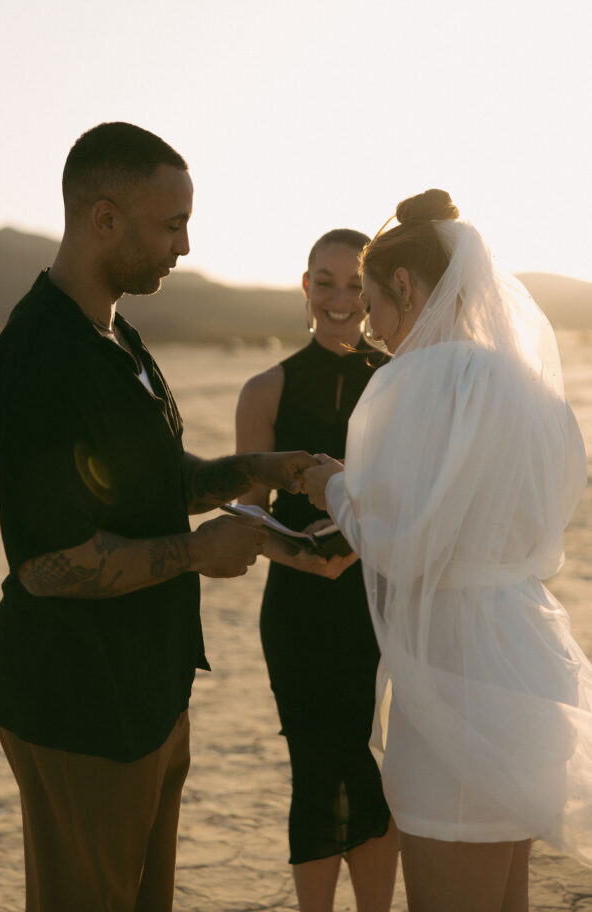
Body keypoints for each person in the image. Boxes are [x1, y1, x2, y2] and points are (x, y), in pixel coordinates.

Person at [0, 121, 317, 912]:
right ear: (104, 219)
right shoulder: (38, 359)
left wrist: (255, 470)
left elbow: (155, 481)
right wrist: (198, 553)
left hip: (150, 689)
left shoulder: (115, 334)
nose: (186, 246)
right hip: (77, 702)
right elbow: (49, 564)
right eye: (171, 225)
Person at [303, 189, 592, 912]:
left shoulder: (414, 383)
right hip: (524, 658)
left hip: (454, 672)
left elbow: (403, 546)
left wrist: (330, 488)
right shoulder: (534, 391)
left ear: (404, 286)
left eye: (372, 305)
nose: (371, 329)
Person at [235, 229, 398, 912]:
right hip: (297, 613)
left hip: (376, 606)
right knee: (312, 770)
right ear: (304, 288)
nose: (338, 299)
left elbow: (403, 500)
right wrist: (302, 558)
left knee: (371, 769)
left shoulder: (395, 385)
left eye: (354, 284)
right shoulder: (264, 388)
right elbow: (250, 515)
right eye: (323, 281)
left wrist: (353, 549)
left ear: (374, 294)